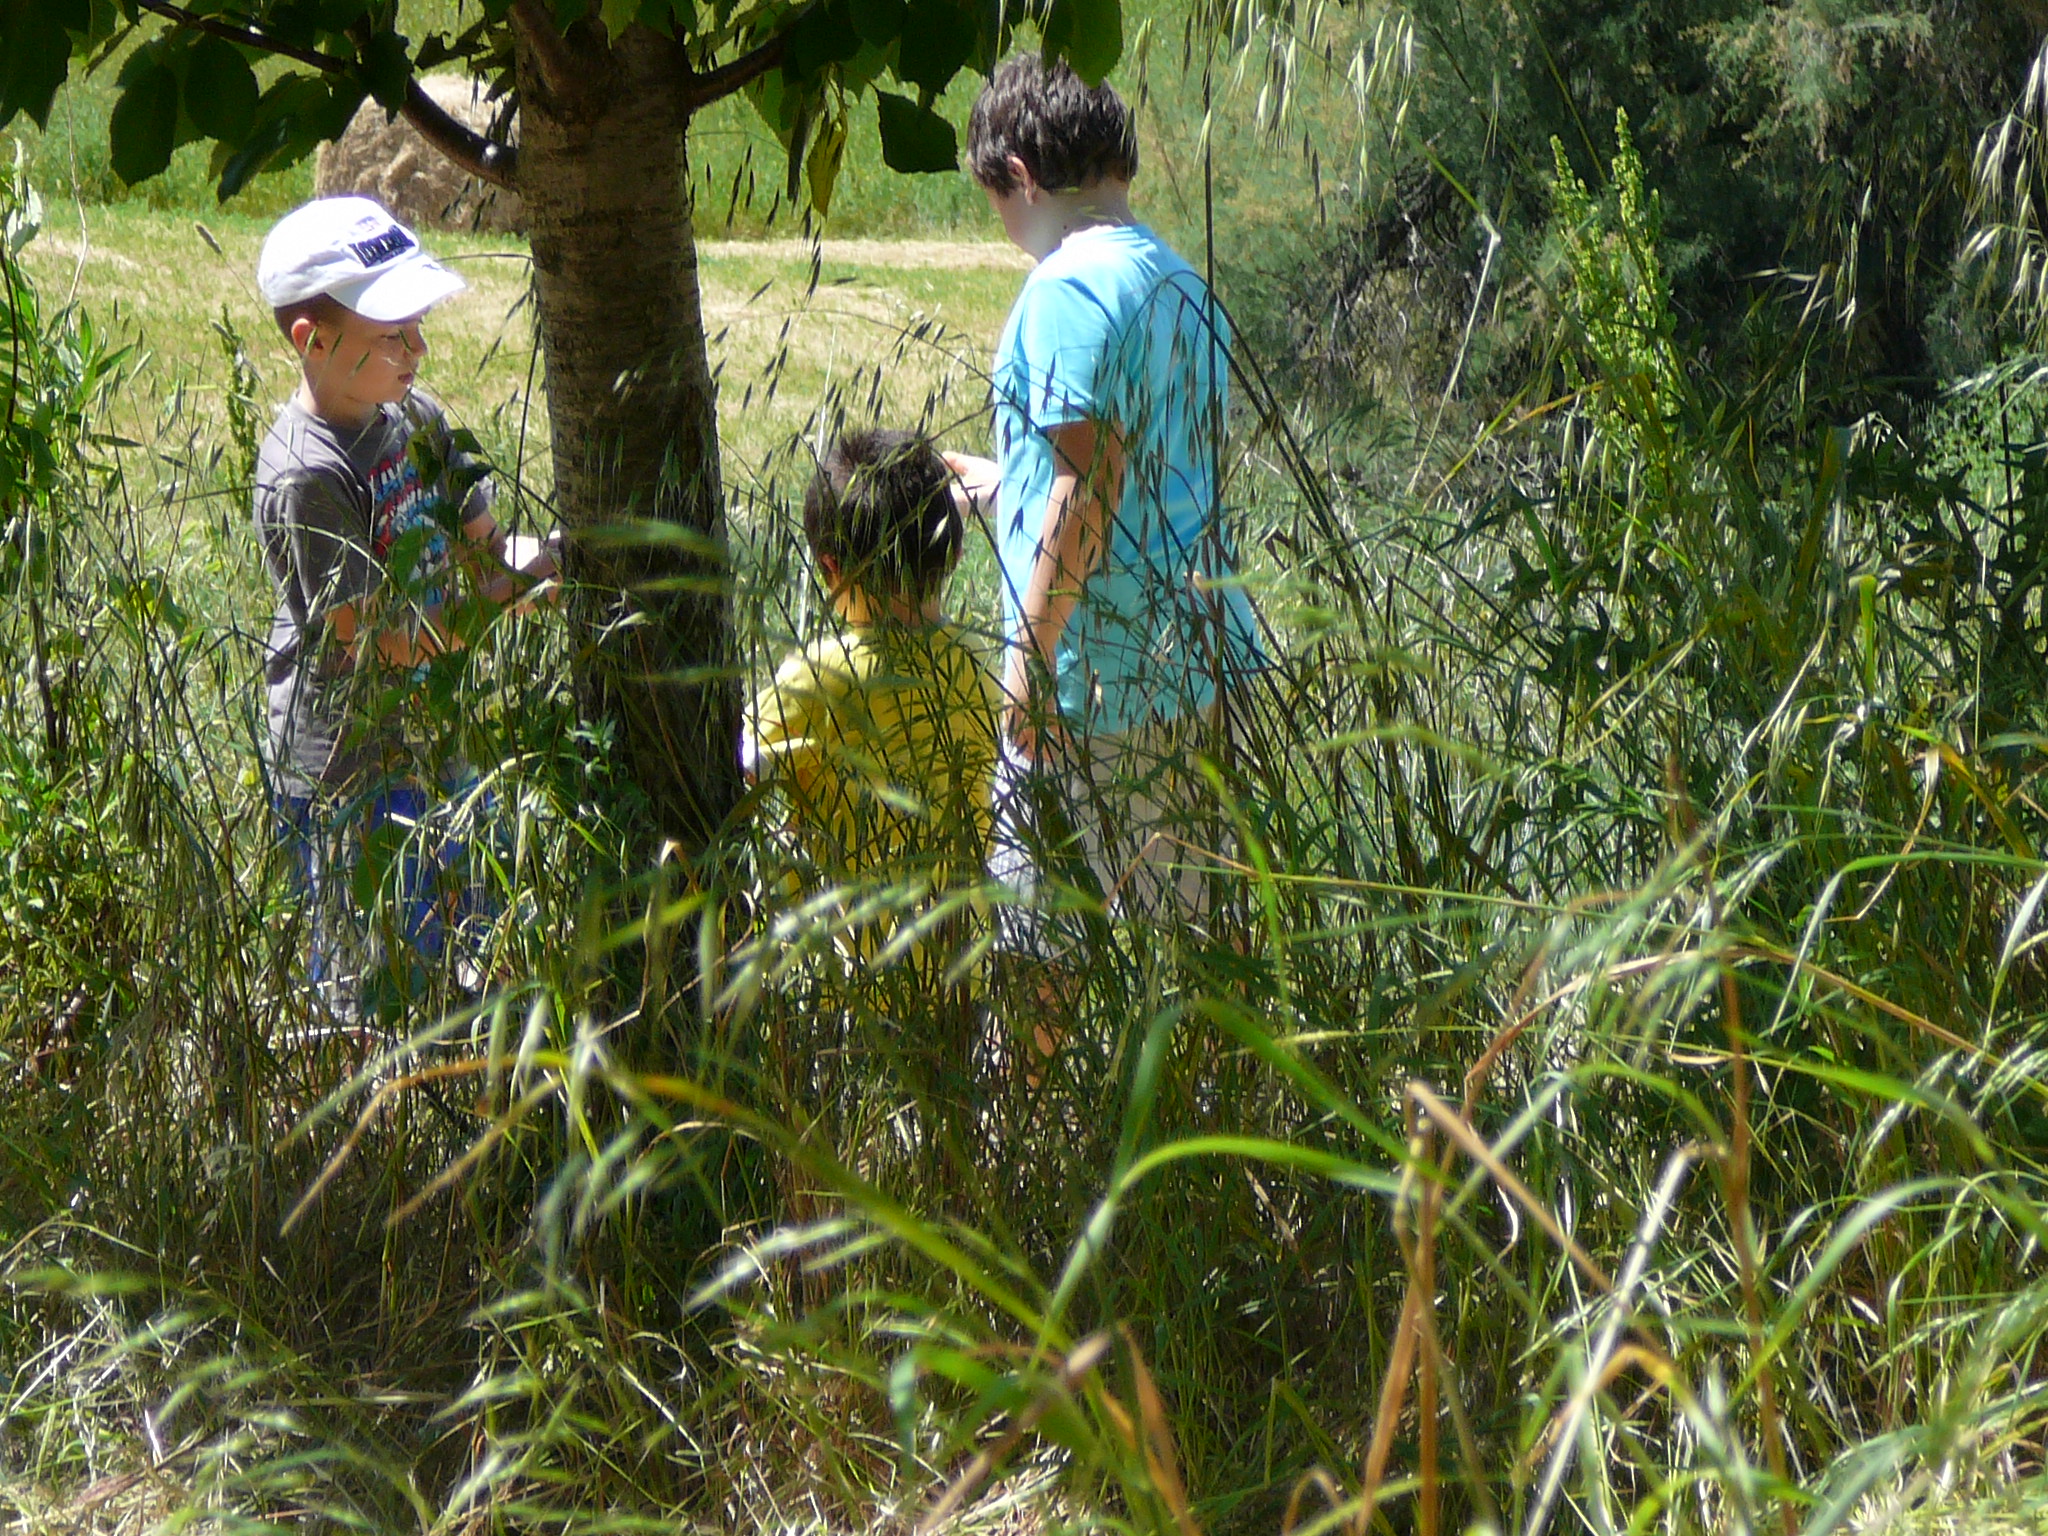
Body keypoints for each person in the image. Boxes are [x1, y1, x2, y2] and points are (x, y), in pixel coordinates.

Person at [946, 54, 1266, 1025]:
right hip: (1201, 657)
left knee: (1036, 966)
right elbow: (1144, 468)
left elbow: (1089, 489)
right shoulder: (1174, 278)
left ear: (1020, 175)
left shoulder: (1064, 290)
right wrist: (1008, 483)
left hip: (1093, 684)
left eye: (993, 199)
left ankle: (1028, 1170)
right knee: (1193, 966)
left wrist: (1027, 667)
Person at [254, 196, 555, 1018]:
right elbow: (376, 643)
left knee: (476, 935)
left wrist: (545, 559)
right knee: (377, 977)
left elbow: (488, 545)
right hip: (347, 768)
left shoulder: (414, 418)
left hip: (437, 737)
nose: (418, 349)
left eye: (416, 327)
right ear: (311, 342)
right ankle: (379, 1116)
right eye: (393, 334)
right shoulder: (305, 477)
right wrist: (502, 602)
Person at [745, 428, 1002, 972]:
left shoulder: (814, 682)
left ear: (829, 566)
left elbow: (727, 765)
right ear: (955, 553)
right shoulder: (981, 661)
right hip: (966, 964)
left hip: (857, 973)